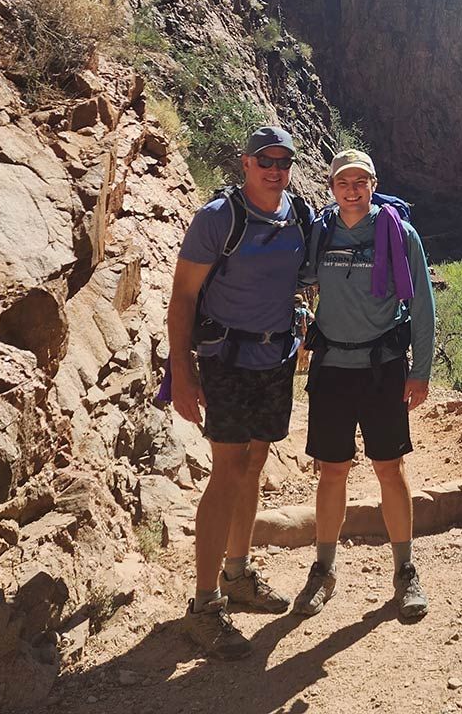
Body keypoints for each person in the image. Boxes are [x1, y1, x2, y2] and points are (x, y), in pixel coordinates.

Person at [167, 126, 309, 659]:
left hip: (275, 357)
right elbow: (183, 296)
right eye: (265, 160)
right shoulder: (217, 218)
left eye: (283, 161)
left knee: (254, 463)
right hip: (225, 359)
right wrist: (180, 371)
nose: (275, 169)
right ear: (246, 163)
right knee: (227, 468)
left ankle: (238, 574)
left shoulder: (296, 213)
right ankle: (204, 605)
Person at [293, 149, 436, 623]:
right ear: (332, 187)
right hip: (332, 367)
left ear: (373, 183)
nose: (351, 189)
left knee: (389, 469)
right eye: (342, 182)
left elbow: (421, 304)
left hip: (383, 367)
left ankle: (405, 570)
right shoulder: (322, 230)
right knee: (331, 471)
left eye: (360, 181)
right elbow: (296, 277)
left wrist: (421, 371)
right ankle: (324, 569)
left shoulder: (398, 231)